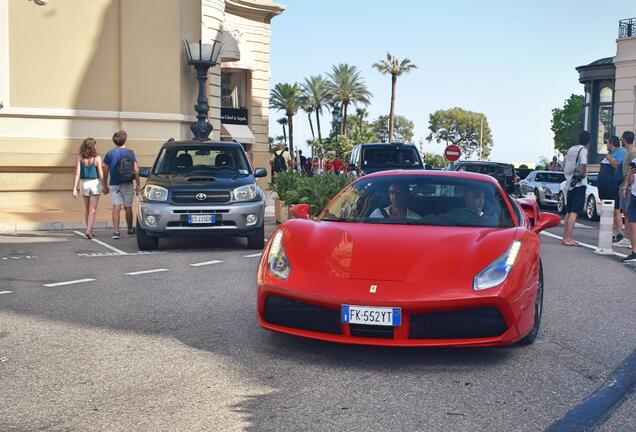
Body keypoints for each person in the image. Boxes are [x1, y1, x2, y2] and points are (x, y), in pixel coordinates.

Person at [102, 130, 140, 239]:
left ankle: (116, 232)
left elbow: (105, 170)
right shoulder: (130, 152)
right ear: (125, 139)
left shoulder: (110, 153)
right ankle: (129, 229)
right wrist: (138, 185)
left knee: (116, 206)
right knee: (128, 207)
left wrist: (104, 184)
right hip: (127, 183)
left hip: (114, 183)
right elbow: (136, 170)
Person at [72, 137, 104, 239]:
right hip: (94, 183)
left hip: (83, 183)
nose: (96, 146)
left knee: (87, 208)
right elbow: (100, 174)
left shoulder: (80, 157)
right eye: (95, 144)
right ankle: (89, 230)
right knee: (92, 209)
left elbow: (77, 173)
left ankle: (89, 229)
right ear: (92, 146)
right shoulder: (97, 158)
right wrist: (105, 186)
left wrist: (74, 188)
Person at [562, 131, 590, 246]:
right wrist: (583, 174)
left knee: (568, 212)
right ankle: (568, 238)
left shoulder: (571, 149)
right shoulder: (583, 150)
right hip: (579, 184)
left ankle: (564, 237)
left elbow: (563, 163)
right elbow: (583, 163)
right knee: (574, 212)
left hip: (570, 183)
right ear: (588, 141)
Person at [598, 135, 625, 243]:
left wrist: (609, 157)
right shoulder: (608, 155)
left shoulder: (620, 153)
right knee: (608, 210)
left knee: (616, 209)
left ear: (612, 143)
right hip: (604, 186)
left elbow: (615, 164)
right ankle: (610, 232)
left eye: (608, 143)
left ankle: (619, 233)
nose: (606, 145)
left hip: (613, 185)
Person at [617, 130, 636, 250]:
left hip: (629, 186)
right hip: (625, 184)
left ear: (625, 140)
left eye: (622, 139)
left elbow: (632, 171)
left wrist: (626, 185)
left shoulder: (633, 152)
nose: (621, 141)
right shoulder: (628, 152)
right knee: (626, 212)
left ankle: (629, 239)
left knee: (629, 213)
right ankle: (627, 238)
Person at [622, 151, 636, 263]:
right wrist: (630, 174)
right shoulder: (634, 161)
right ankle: (634, 252)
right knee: (632, 223)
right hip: (634, 195)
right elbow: (630, 181)